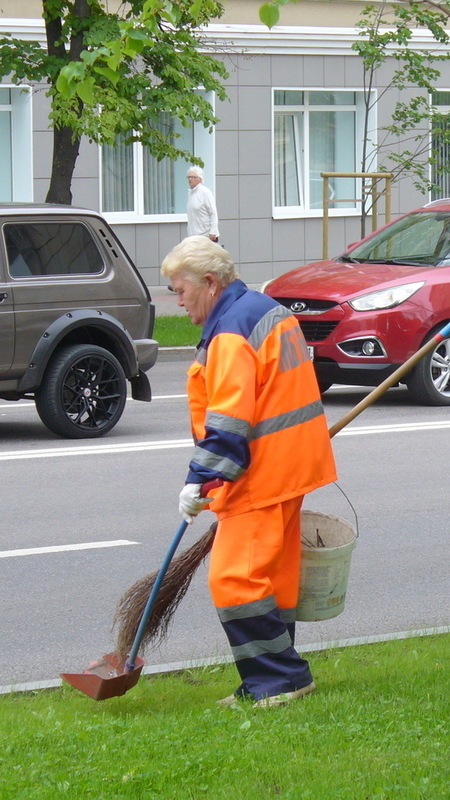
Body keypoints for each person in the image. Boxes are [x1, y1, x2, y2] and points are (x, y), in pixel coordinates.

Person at [162, 236, 336, 708]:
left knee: (234, 579)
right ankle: (278, 678)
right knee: (273, 578)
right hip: (292, 466)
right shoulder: (263, 309)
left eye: (180, 290)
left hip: (260, 476)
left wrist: (200, 478)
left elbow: (229, 418)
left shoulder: (231, 333)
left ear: (210, 283)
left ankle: (279, 678)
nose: (176, 302)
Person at [186, 166, 219, 242]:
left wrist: (213, 231)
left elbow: (213, 212)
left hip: (206, 236)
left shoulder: (205, 192)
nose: (190, 179)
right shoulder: (190, 193)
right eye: (189, 177)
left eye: (193, 177)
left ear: (199, 179)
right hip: (193, 236)